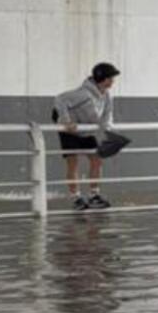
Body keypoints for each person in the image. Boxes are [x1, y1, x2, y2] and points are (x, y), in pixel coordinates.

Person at [55, 62, 120, 211]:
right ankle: (76, 198)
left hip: (86, 131)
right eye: (110, 78)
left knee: (96, 161)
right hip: (69, 131)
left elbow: (107, 115)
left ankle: (94, 195)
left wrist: (107, 129)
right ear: (102, 78)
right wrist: (66, 121)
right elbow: (60, 99)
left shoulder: (107, 95)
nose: (113, 81)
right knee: (73, 163)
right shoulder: (83, 94)